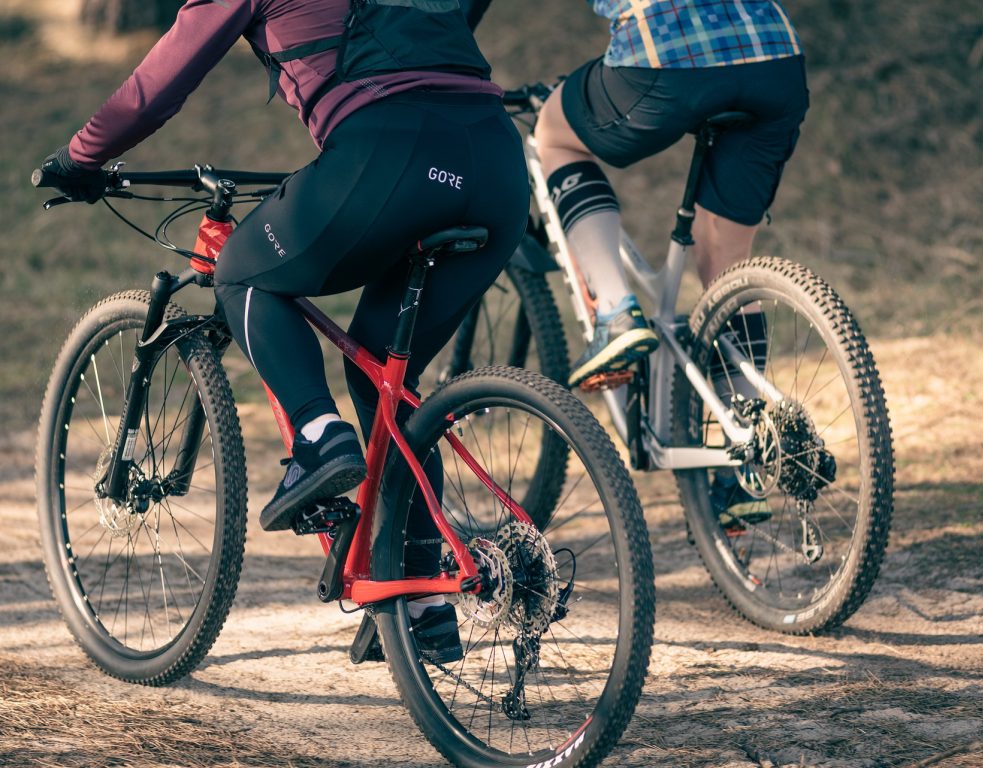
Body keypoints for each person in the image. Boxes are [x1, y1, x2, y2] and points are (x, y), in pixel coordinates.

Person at [39, 0, 529, 663]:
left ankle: (319, 438)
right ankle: (422, 602)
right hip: (495, 161)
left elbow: (163, 80)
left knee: (242, 270)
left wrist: (81, 155)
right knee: (382, 374)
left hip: (393, 150)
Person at [528, 0, 808, 389]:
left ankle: (615, 313)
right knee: (725, 267)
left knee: (554, 136)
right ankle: (753, 426)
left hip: (668, 54)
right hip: (775, 57)